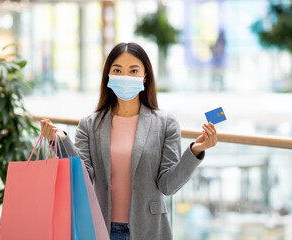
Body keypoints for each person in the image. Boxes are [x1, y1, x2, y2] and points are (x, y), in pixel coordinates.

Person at [40, 42, 217, 240]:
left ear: (145, 76)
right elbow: (84, 179)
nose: (125, 77)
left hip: (149, 229)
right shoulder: (89, 125)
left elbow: (168, 185)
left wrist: (195, 151)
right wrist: (60, 141)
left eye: (133, 71)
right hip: (101, 229)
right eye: (117, 70)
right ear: (108, 74)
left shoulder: (166, 124)